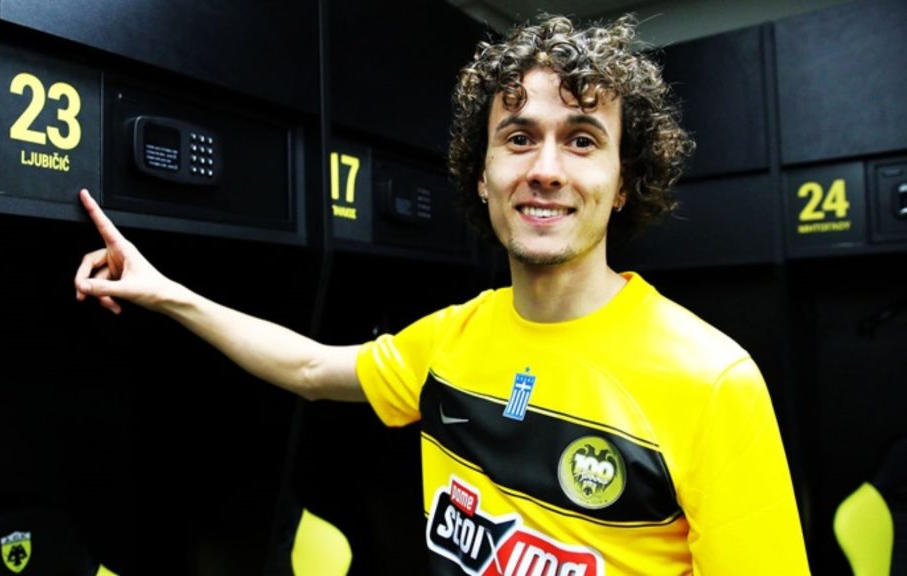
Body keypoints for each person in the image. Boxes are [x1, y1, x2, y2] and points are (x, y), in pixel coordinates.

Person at [74, 13, 811, 575]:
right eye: (518, 137)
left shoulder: (712, 381)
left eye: (582, 140)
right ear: (483, 175)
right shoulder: (451, 339)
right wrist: (164, 292)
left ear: (623, 183)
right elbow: (308, 367)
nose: (546, 168)